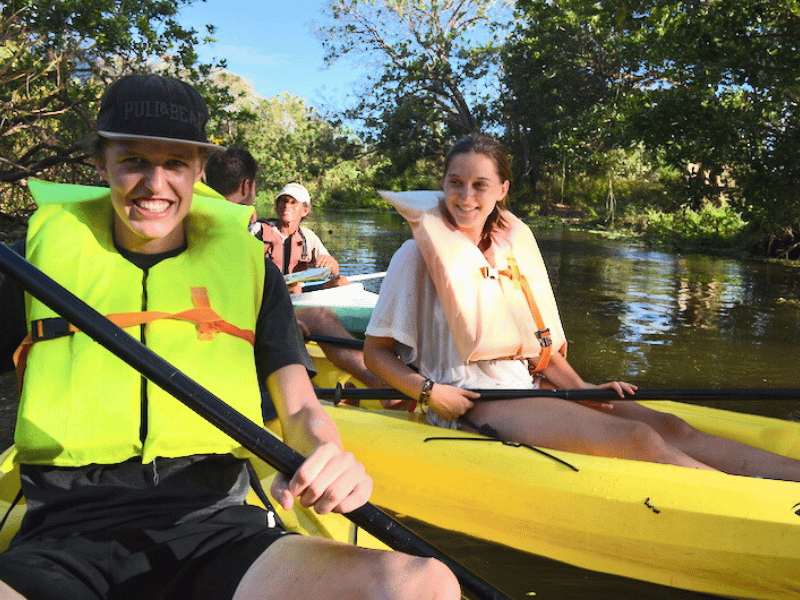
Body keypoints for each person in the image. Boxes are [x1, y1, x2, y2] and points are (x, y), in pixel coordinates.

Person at [0, 74, 459, 600]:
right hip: (63, 536)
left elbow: (301, 409)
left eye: (175, 162)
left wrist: (329, 453)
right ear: (101, 164)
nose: (155, 183)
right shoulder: (28, 265)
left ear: (198, 170)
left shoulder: (251, 272)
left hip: (212, 528)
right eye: (133, 161)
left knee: (424, 582)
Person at [363, 132, 800, 481]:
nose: (465, 197)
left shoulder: (508, 251)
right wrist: (428, 392)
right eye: (455, 183)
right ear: (442, 184)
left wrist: (586, 389)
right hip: (470, 401)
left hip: (527, 387)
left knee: (670, 427)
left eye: (480, 185)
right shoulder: (415, 256)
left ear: (502, 189)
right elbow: (376, 353)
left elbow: (538, 348)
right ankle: (760, 504)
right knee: (638, 439)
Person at [205, 149, 384, 389]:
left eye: (292, 202)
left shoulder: (306, 237)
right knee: (321, 317)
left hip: (269, 305)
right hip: (256, 313)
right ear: (247, 187)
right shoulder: (254, 231)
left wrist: (329, 265)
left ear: (305, 210)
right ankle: (379, 382)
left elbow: (331, 266)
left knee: (341, 282)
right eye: (283, 201)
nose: (286, 206)